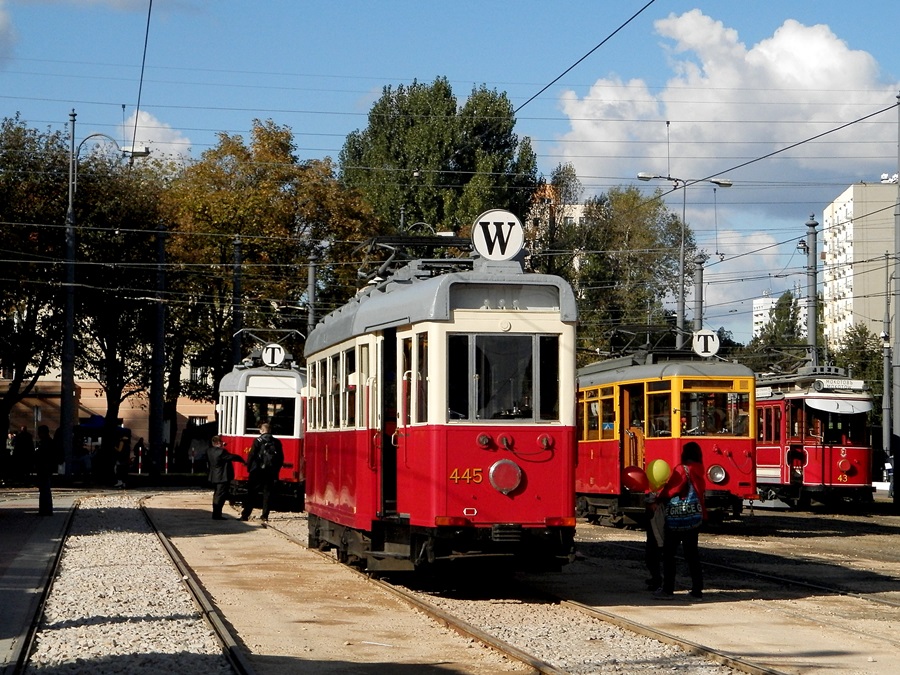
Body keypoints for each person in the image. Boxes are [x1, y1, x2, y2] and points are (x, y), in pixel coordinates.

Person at [656, 442, 706, 600]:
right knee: (692, 555)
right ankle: (697, 590)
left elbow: (673, 490)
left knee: (669, 554)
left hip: (678, 518)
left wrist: (659, 496)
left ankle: (668, 589)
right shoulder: (699, 470)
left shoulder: (682, 469)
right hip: (694, 517)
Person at [240, 422, 283, 523]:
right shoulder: (276, 442)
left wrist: (249, 468)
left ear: (262, 431)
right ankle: (265, 515)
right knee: (267, 494)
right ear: (270, 430)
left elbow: (252, 455)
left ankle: (245, 514)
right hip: (270, 472)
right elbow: (280, 458)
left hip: (257, 471)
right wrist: (276, 470)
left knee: (251, 493)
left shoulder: (257, 441)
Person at [207, 436, 245, 520]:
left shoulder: (209, 451)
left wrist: (222, 447)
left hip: (214, 476)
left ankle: (215, 513)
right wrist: (242, 460)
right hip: (222, 477)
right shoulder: (222, 452)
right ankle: (217, 514)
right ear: (218, 443)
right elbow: (232, 457)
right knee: (220, 496)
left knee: (216, 495)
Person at [34, 425, 55, 516]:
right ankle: (45, 509)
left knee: (44, 489)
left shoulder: (46, 443)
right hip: (46, 468)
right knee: (44, 489)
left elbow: (43, 456)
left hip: (44, 468)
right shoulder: (48, 442)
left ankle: (45, 510)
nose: (38, 434)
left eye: (39, 432)